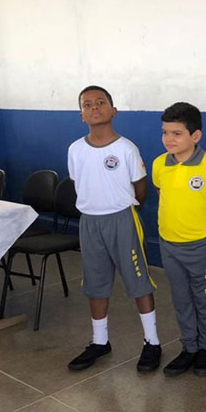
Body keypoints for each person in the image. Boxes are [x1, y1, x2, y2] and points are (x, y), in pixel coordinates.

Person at [67, 85, 161, 372]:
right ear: (82, 114)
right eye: (87, 104)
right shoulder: (76, 149)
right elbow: (77, 183)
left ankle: (152, 341)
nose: (94, 107)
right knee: (95, 283)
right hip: (90, 221)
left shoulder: (125, 148)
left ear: (113, 110)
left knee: (137, 280)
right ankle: (99, 341)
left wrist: (124, 209)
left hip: (122, 219)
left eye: (100, 102)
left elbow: (140, 188)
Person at [152, 102, 206, 377]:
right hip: (169, 244)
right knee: (181, 299)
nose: (169, 139)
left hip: (202, 243)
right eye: (165, 132)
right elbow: (162, 194)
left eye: (177, 133)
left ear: (195, 136)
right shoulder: (160, 164)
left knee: (205, 297)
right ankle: (189, 347)